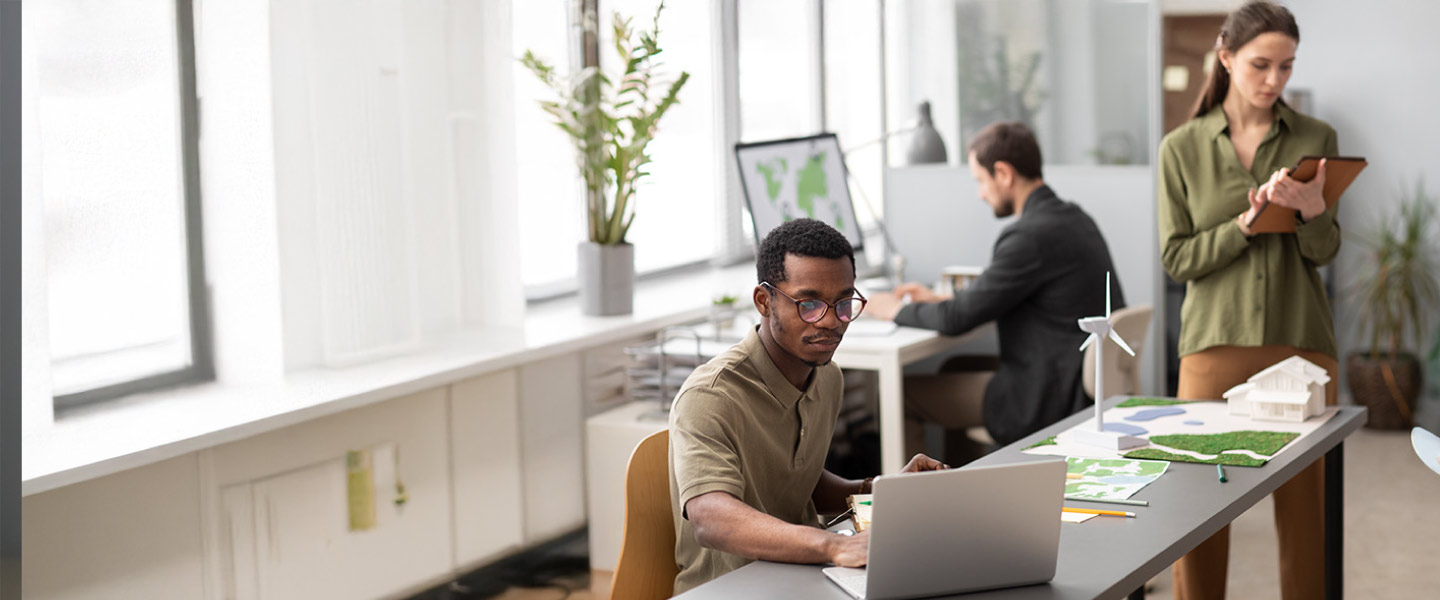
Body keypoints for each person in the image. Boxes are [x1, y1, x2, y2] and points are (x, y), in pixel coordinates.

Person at [1157, 3, 1340, 599]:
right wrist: (1245, 224)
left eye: (1287, 67)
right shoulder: (1180, 148)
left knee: (1307, 519)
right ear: (1226, 56)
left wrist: (1312, 212)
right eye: (1261, 65)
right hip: (1213, 344)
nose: (1274, 79)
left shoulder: (1316, 139)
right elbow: (1177, 258)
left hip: (1301, 343)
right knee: (1199, 509)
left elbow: (1325, 250)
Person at [668, 218, 946, 594]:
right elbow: (710, 519)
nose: (831, 321)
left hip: (804, 574)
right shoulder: (711, 396)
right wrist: (833, 546)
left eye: (843, 303)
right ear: (764, 302)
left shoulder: (827, 377)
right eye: (809, 304)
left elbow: (800, 482)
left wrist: (883, 489)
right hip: (732, 588)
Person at [866, 121, 1125, 447]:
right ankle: (962, 479)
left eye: (980, 181)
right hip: (1073, 380)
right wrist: (938, 299)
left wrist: (895, 309)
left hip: (1049, 398)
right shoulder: (1073, 218)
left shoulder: (1029, 237)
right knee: (955, 366)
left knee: (900, 395)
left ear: (1003, 173)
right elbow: (993, 296)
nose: (980, 193)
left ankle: (919, 484)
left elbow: (956, 319)